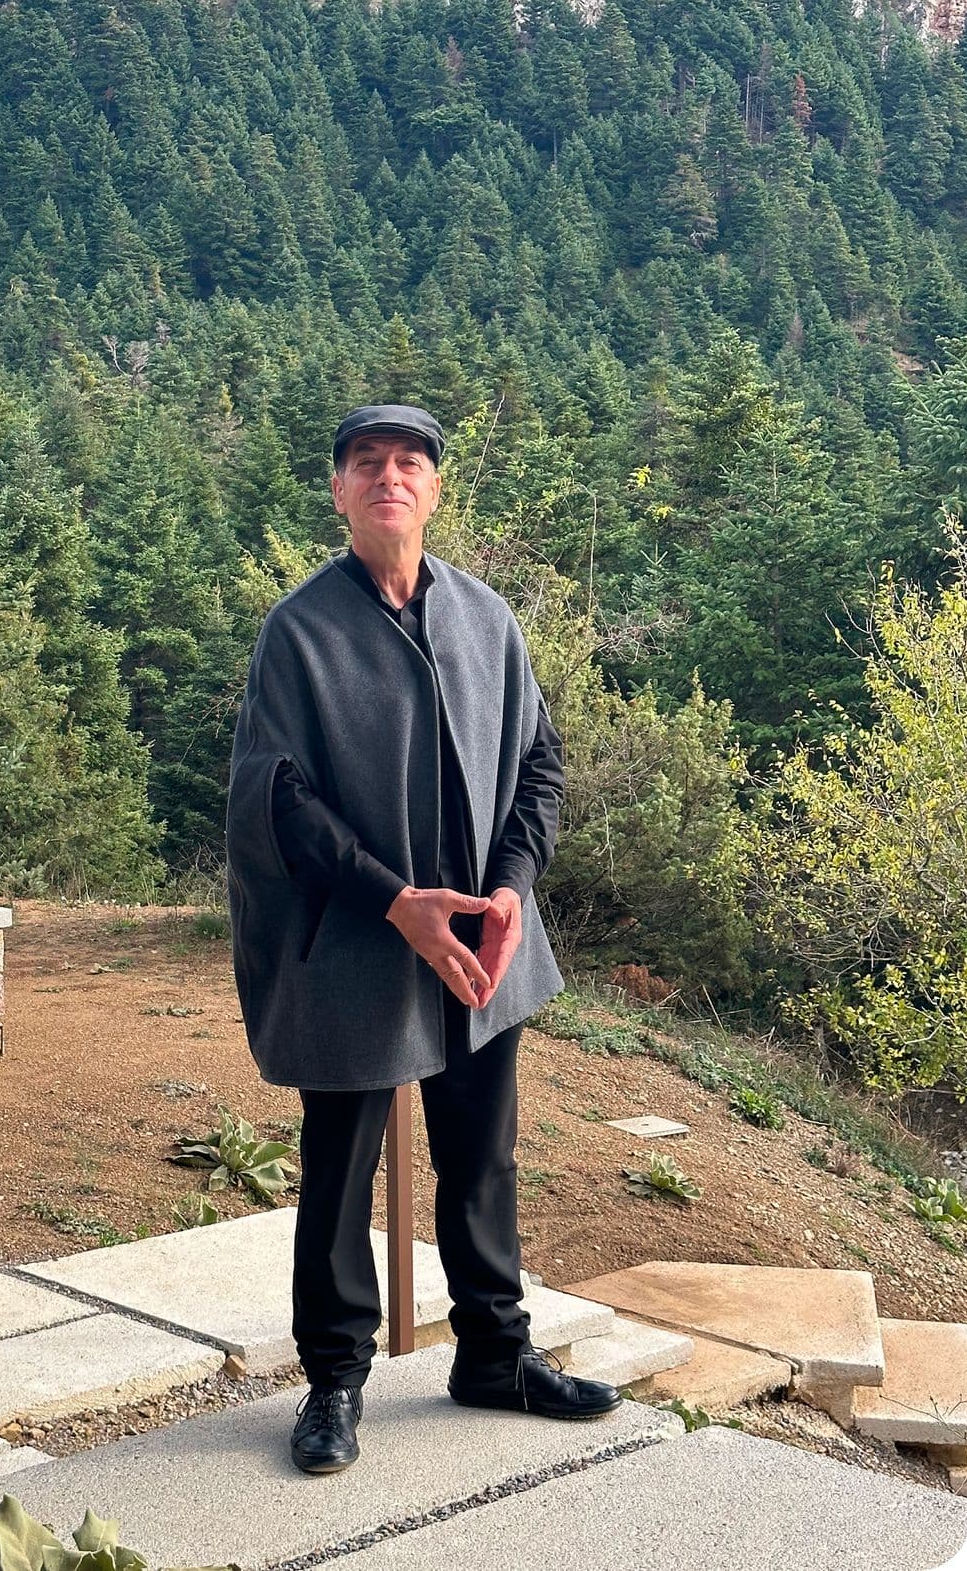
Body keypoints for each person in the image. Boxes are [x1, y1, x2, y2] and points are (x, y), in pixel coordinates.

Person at [225, 402, 622, 1476]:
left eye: (409, 462)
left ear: (434, 490)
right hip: (360, 939)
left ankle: (494, 1353)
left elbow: (539, 765)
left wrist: (510, 887)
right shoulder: (299, 631)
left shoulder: (487, 619)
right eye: (367, 462)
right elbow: (278, 798)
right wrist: (393, 897)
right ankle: (334, 1381)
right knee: (340, 1169)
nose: (388, 475)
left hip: (482, 943)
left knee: (481, 1157)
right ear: (340, 490)